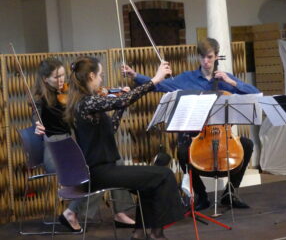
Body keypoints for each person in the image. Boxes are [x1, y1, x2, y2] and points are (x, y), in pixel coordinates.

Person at [124, 38, 261, 210]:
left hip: (223, 135)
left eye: (210, 57)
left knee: (247, 144)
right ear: (198, 57)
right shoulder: (186, 78)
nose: (206, 61)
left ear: (217, 56)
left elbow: (255, 94)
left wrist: (232, 81)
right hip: (197, 136)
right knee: (182, 152)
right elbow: (159, 86)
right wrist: (135, 76)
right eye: (203, 57)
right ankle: (201, 196)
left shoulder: (225, 79)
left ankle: (230, 193)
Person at [64, 56, 184, 240]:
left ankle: (139, 233)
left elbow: (110, 129)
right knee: (164, 175)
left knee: (150, 182)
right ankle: (157, 235)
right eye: (100, 75)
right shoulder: (86, 102)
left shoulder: (87, 102)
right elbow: (123, 101)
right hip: (98, 172)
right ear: (90, 76)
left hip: (104, 169)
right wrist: (155, 80)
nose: (102, 79)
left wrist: (120, 106)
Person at [32, 58, 136, 231]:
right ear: (45, 79)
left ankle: (120, 212)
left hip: (75, 146)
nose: (61, 81)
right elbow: (35, 115)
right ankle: (71, 212)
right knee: (101, 170)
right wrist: (37, 123)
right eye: (56, 77)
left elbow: (92, 101)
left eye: (63, 76)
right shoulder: (40, 100)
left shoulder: (71, 95)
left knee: (114, 163)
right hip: (59, 150)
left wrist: (117, 94)